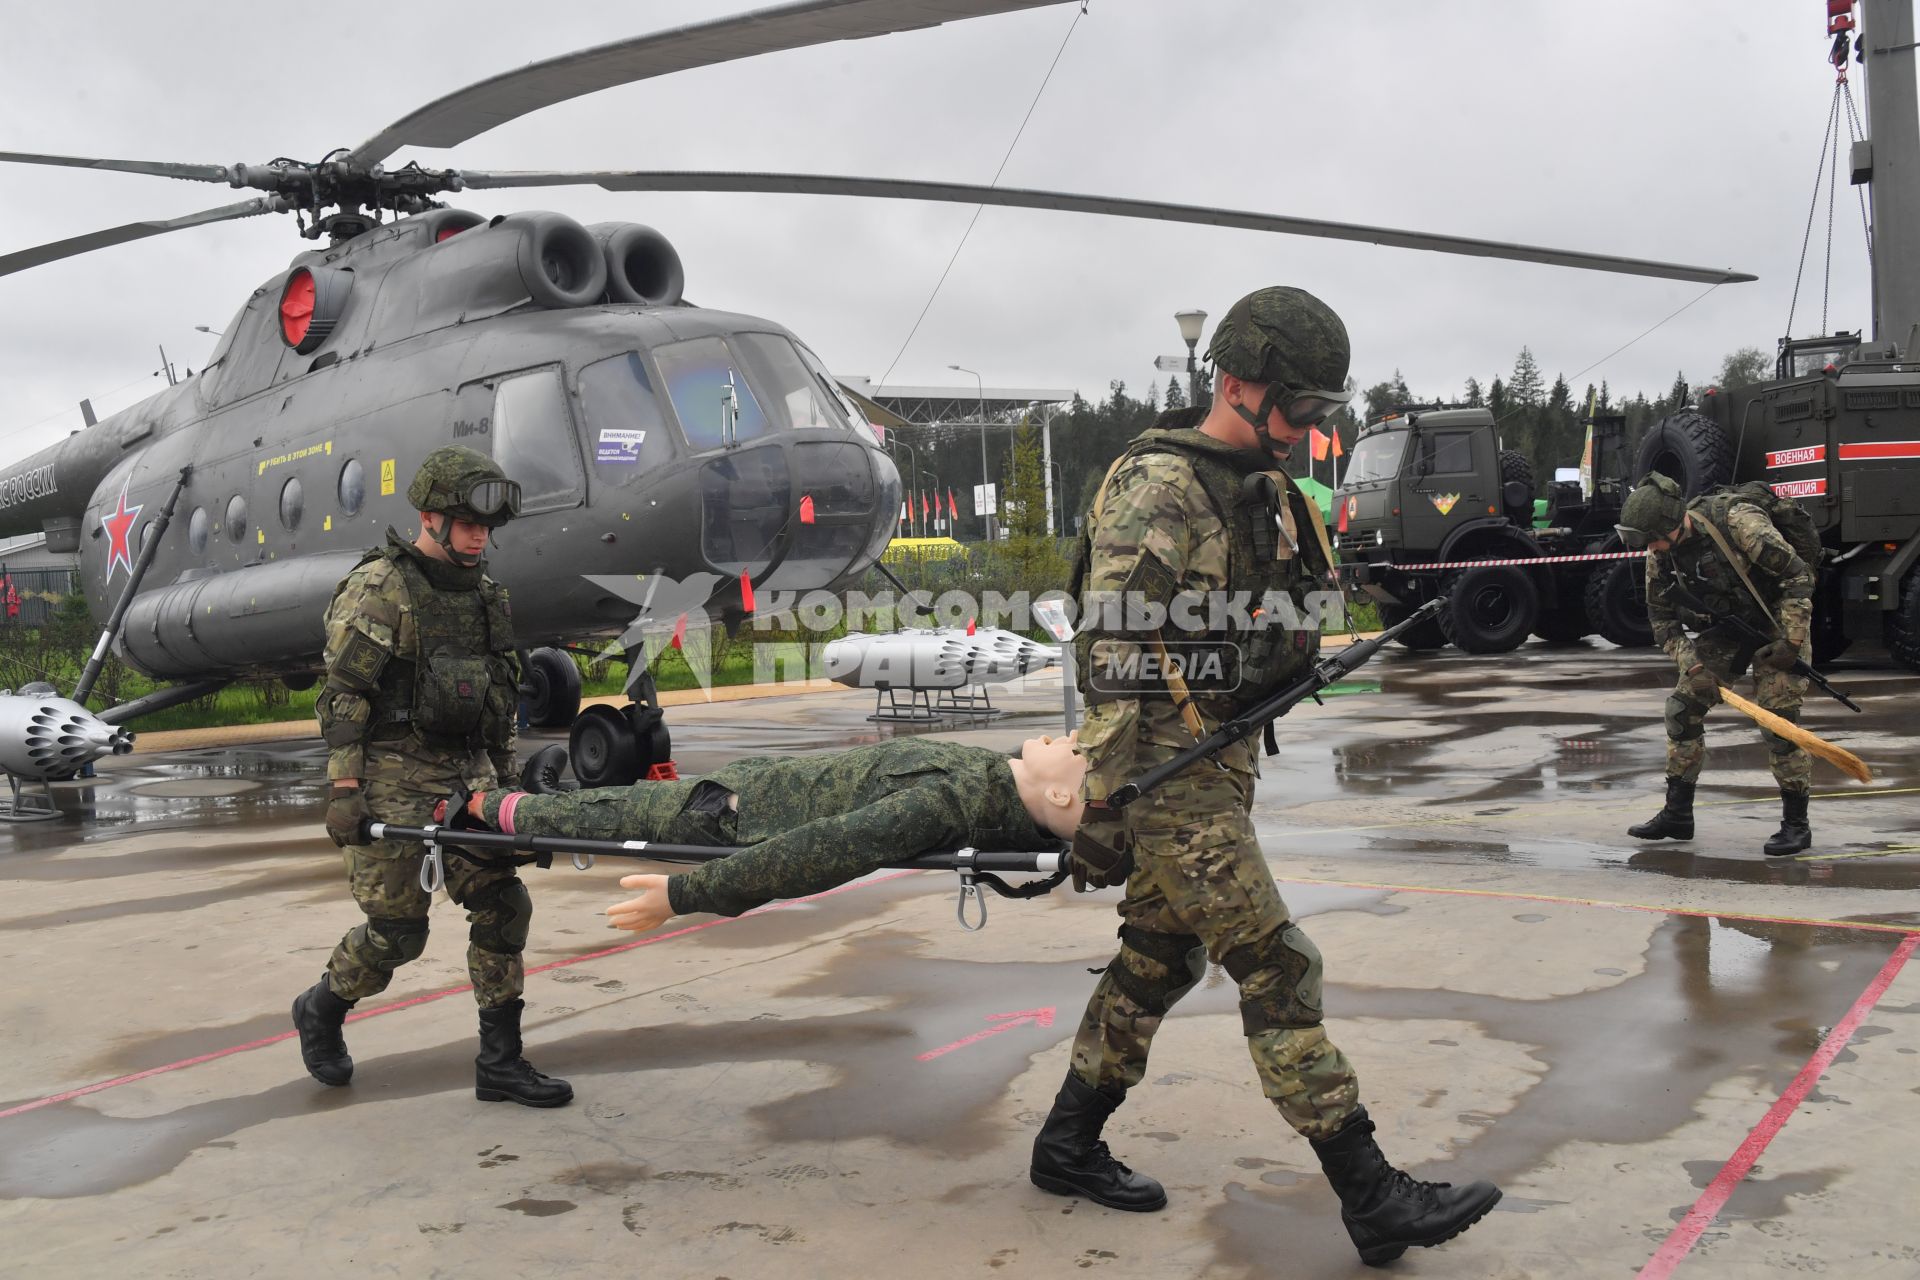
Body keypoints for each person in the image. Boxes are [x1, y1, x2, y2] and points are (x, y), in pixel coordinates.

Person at [1040, 287, 1500, 1266]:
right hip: (1170, 778)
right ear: (1239, 383)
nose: (1306, 430)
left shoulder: (1272, 493)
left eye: (1321, 413)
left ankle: (1066, 1142)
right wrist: (1101, 802)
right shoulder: (1158, 487)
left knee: (1157, 959)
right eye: (1297, 408)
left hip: (1222, 762)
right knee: (1278, 963)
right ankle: (1370, 1192)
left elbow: (1290, 617)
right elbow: (1110, 651)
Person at [291, 445, 573, 1108]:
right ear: (430, 518)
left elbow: (501, 697)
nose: (480, 538)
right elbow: (344, 696)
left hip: (465, 775)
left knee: (505, 904)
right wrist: (343, 789)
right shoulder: (381, 587)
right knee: (399, 934)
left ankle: (500, 1063)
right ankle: (322, 1008)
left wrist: (509, 791)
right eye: (468, 524)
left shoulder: (485, 595)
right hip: (390, 772)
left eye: (486, 529)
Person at [445, 734, 1085, 932]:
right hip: (760, 786)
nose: (1075, 735)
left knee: (606, 813)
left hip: (732, 813)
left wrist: (683, 896)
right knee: (611, 805)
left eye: (1082, 749)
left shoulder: (951, 801)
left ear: (1059, 793)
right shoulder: (992, 776)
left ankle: (482, 810)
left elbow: (820, 852)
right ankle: (511, 812)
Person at [1617, 472, 1817, 855]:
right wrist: (1693, 667)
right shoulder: (1661, 553)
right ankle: (1677, 815)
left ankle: (1796, 825)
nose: (1652, 548)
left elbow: (1799, 577)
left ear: (1673, 524)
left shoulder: (1741, 523)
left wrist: (1791, 643)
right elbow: (1663, 622)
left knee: (1779, 724)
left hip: (1780, 622)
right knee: (1682, 709)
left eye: (1654, 539)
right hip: (1729, 630)